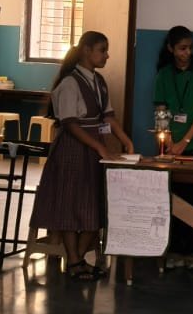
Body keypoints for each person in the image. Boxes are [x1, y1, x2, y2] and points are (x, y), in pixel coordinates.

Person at [28, 30, 130, 283]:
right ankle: (74, 260)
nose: (107, 56)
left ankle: (78, 258)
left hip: (94, 148)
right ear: (86, 50)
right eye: (102, 50)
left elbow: (108, 117)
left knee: (93, 204)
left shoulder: (99, 81)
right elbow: (71, 124)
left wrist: (126, 141)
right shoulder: (69, 83)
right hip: (72, 150)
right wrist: (100, 148)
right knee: (70, 204)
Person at [152, 25, 193, 262]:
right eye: (182, 48)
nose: (187, 53)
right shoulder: (163, 75)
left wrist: (184, 142)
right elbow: (161, 112)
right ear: (171, 49)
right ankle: (174, 250)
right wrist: (169, 141)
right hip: (170, 144)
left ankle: (191, 251)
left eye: (190, 48)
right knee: (171, 197)